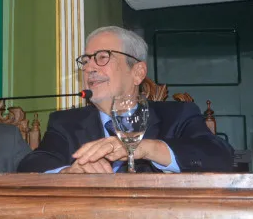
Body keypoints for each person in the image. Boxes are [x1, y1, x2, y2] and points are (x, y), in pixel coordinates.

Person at [18, 26, 234, 173]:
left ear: (138, 72)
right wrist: (69, 172)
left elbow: (219, 155)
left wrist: (144, 148)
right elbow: (31, 163)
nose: (89, 68)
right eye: (85, 61)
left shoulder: (177, 114)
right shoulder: (66, 123)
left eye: (102, 57)